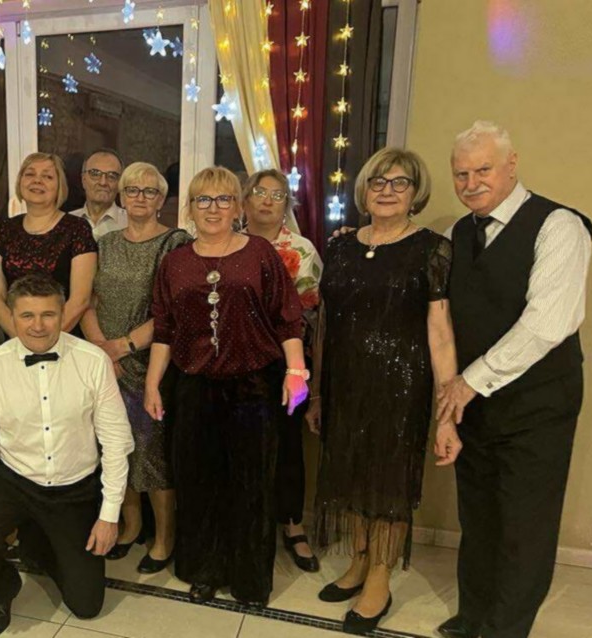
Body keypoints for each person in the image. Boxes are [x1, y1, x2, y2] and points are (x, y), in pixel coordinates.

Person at [435, 121, 592, 638]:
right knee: (478, 516)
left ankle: (505, 630)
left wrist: (468, 382)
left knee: (525, 524)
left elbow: (548, 323)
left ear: (511, 165)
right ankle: (474, 616)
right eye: (461, 173)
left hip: (537, 403)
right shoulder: (459, 234)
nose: (471, 183)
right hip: (476, 404)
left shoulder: (559, 225)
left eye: (483, 169)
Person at [307, 147, 460, 635]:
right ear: (364, 190)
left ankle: (380, 575)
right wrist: (317, 393)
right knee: (351, 474)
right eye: (378, 181)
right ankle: (358, 560)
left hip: (401, 387)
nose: (387, 190)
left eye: (399, 183)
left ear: (415, 193)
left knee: (388, 484)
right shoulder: (341, 246)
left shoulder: (432, 249)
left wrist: (448, 409)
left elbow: (440, 331)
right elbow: (326, 324)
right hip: (345, 384)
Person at [144, 166, 309, 606]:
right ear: (190, 207)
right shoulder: (175, 262)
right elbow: (164, 329)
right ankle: (205, 569)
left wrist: (296, 372)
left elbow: (287, 317)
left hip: (253, 387)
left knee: (251, 485)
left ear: (237, 206)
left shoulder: (259, 253)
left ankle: (248, 579)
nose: (213, 208)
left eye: (222, 199)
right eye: (203, 199)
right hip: (194, 387)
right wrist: (153, 383)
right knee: (199, 482)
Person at [0, 275, 134, 638]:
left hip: (75, 488)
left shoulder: (93, 361)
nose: (38, 325)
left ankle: (38, 542)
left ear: (63, 314)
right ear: (12, 317)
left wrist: (109, 516)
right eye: (27, 315)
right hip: (14, 482)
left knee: (86, 605)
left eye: (48, 314)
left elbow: (116, 442)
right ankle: (4, 588)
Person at [80, 162, 191, 573]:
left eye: (149, 191)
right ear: (121, 197)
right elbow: (87, 301)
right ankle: (131, 526)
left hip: (150, 364)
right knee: (115, 448)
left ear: (162, 199)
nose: (140, 197)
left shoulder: (176, 243)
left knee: (152, 453)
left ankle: (164, 538)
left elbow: (174, 310)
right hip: (105, 365)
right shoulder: (105, 242)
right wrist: (102, 350)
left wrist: (123, 347)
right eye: (132, 190)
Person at [242, 168, 323, 574]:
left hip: (286, 362)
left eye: (277, 195)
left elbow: (310, 311)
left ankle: (293, 523)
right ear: (245, 199)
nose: (267, 201)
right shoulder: (227, 239)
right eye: (260, 192)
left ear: (286, 204)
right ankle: (245, 522)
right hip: (235, 365)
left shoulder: (301, 250)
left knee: (288, 444)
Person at [0, 152, 97, 338]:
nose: (37, 180)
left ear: (59, 186)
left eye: (47, 176)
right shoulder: (6, 228)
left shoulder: (77, 228)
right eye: (30, 174)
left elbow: (80, 300)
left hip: (62, 339)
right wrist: (22, 340)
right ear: (20, 181)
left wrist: (42, 340)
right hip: (15, 341)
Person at [69, 149, 127, 240]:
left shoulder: (130, 223)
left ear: (120, 183)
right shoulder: (66, 222)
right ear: (83, 180)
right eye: (95, 174)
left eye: (112, 176)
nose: (103, 182)